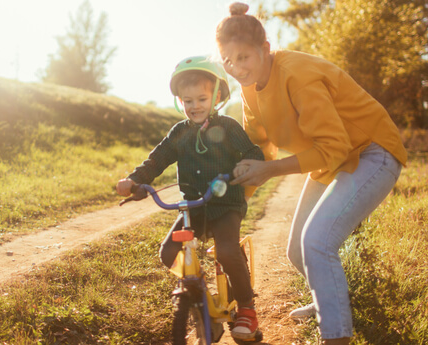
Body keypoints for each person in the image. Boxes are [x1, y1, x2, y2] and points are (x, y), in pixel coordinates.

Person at [215, 3, 408, 344]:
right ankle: (329, 300)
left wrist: (271, 170)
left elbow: (333, 146)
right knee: (296, 250)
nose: (236, 68)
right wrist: (233, 205)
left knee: (317, 242)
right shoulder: (250, 87)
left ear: (265, 49)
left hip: (371, 151)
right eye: (228, 61)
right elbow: (257, 151)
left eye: (243, 58)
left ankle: (335, 335)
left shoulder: (296, 76)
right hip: (335, 158)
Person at [115, 56, 265, 340]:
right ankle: (199, 297)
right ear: (180, 102)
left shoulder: (229, 127)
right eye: (188, 101)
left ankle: (246, 307)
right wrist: (136, 180)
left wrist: (241, 168)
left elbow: (253, 153)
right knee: (168, 252)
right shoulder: (179, 133)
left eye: (201, 98)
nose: (195, 106)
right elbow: (157, 160)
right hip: (193, 208)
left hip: (225, 205)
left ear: (217, 96)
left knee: (228, 250)